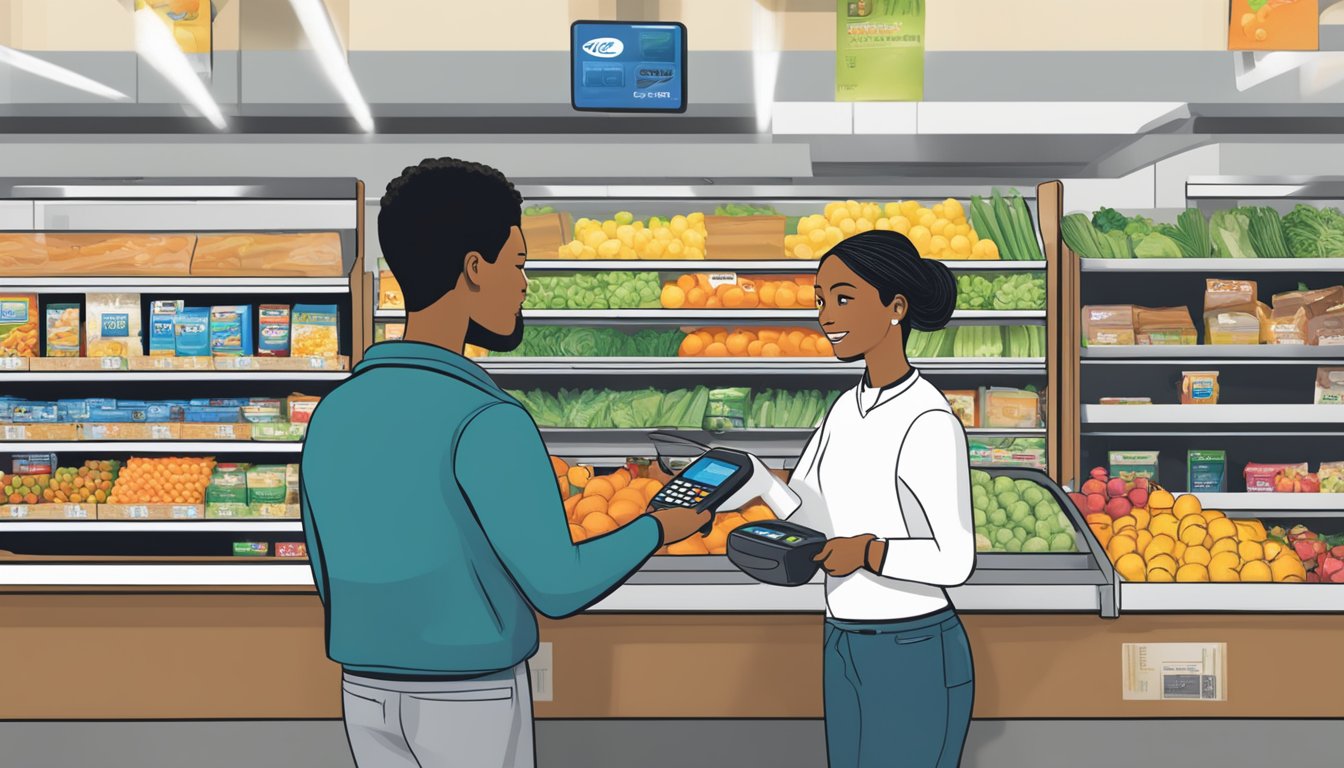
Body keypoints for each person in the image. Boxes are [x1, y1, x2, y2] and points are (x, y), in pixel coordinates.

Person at [299, 157, 708, 768]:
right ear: (472, 268)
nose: (524, 284)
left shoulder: (334, 412)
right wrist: (657, 527)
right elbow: (560, 585)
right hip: (469, 697)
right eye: (517, 265)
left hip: (364, 692)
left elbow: (327, 569)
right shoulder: (487, 420)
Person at [789, 229, 977, 767]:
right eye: (820, 300)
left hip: (913, 648)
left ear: (896, 306)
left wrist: (869, 551)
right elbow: (806, 507)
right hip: (842, 638)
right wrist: (750, 484)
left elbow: (955, 558)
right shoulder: (845, 408)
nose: (826, 316)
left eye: (843, 298)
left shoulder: (929, 419)